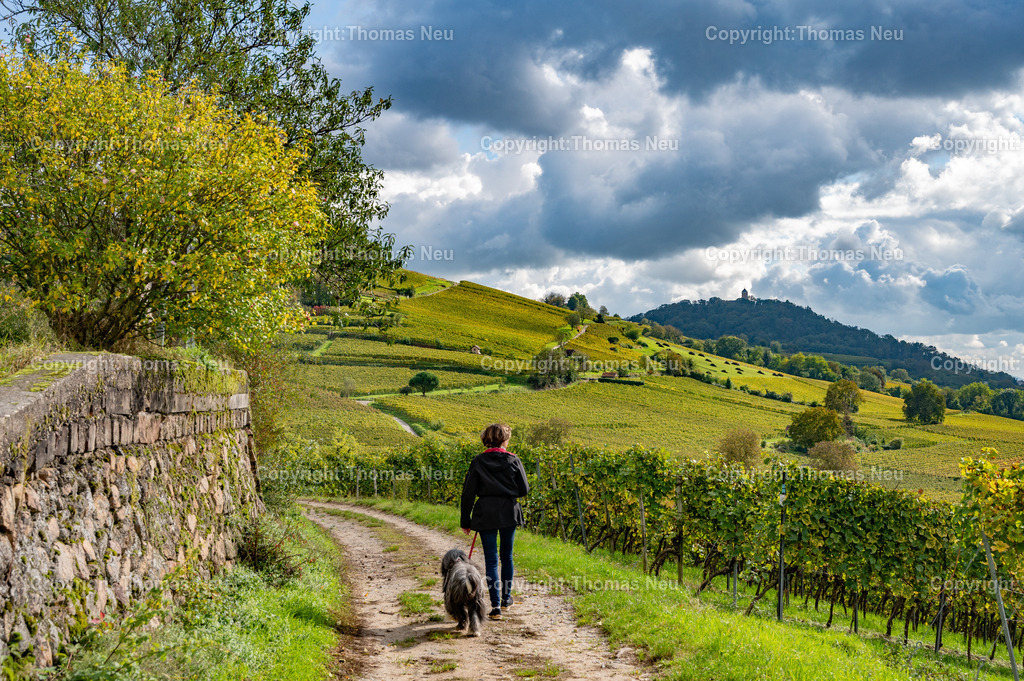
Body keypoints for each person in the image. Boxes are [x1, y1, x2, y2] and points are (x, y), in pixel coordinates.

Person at [460, 423, 529, 620]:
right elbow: (524, 490)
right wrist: (506, 493)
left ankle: (496, 606)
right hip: (509, 512)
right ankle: (507, 599)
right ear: (505, 439)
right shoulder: (513, 460)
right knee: (506, 556)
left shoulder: (478, 461)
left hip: (486, 514)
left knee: (491, 559)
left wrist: (466, 520)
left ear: (486, 439)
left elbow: (468, 493)